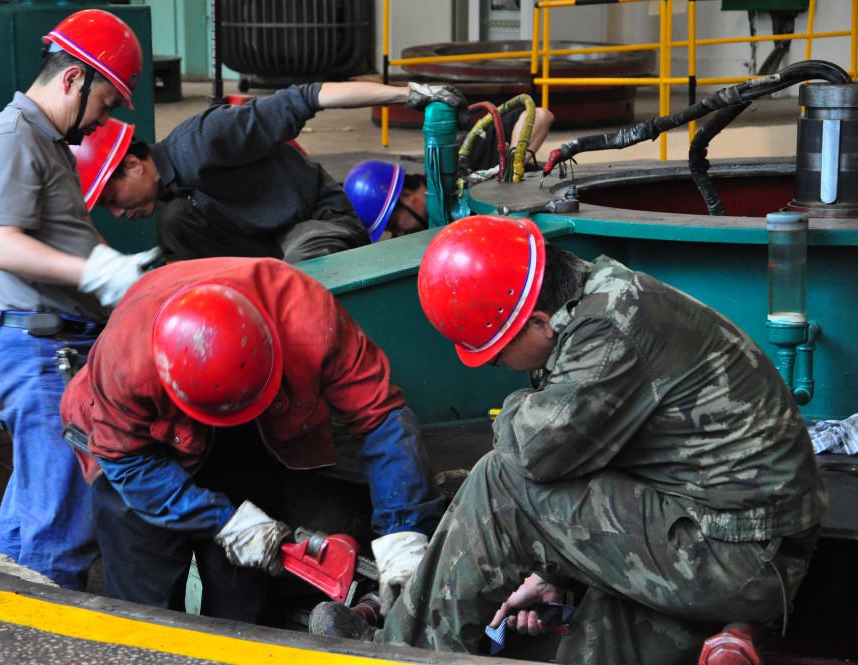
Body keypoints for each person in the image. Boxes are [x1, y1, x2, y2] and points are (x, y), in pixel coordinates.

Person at [310, 215, 826, 664]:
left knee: (500, 481)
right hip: (731, 539)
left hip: (736, 554)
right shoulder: (599, 295)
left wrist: (517, 408)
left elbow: (532, 452)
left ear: (539, 322)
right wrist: (555, 572)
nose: (499, 368)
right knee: (597, 643)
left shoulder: (610, 329)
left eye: (496, 356)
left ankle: (400, 650)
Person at [59, 257, 446, 624]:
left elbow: (381, 418)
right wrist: (224, 522)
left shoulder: (310, 319)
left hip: (243, 437)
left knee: (247, 607)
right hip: (136, 451)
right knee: (146, 612)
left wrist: (404, 531)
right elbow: (128, 461)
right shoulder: (126, 360)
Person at [0, 9, 159, 591]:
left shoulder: (47, 145)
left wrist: (127, 281)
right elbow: (3, 245)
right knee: (62, 530)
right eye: (105, 102)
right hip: (45, 356)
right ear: (74, 78)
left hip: (57, 349)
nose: (103, 120)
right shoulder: (11, 140)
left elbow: (67, 234)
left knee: (32, 516)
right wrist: (98, 271)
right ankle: (45, 634)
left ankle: (11, 623)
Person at [71, 81, 468, 263]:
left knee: (304, 273)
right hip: (266, 245)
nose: (118, 213)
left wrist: (409, 93)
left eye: (112, 199)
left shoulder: (203, 141)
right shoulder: (176, 202)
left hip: (317, 221)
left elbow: (308, 96)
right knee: (174, 223)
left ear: (134, 165)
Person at [343, 103, 554, 241]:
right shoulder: (413, 233)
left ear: (408, 197)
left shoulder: (463, 160)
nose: (398, 234)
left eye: (393, 225)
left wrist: (510, 167)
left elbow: (540, 116)